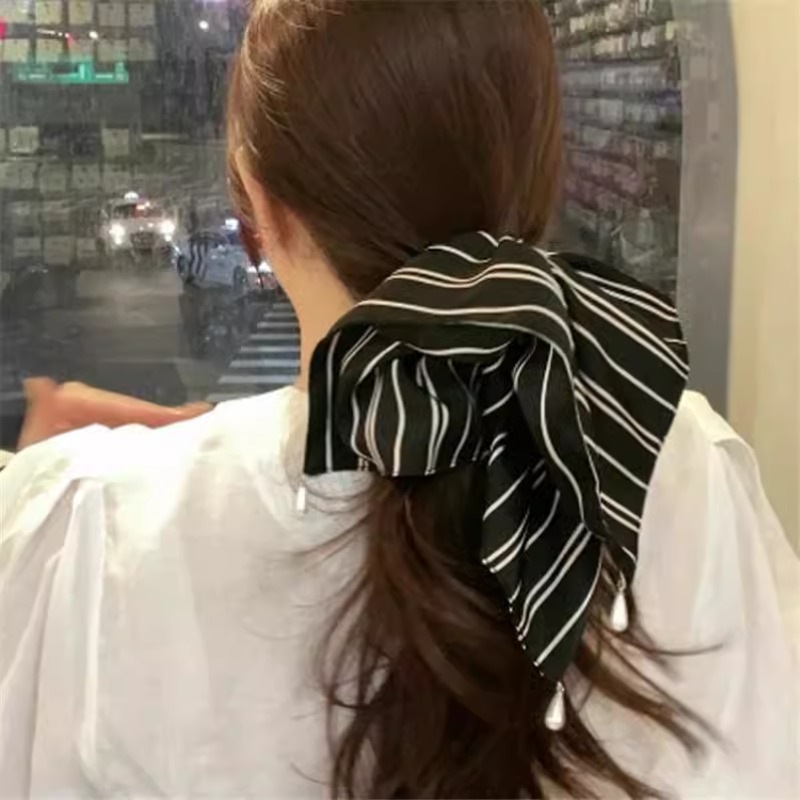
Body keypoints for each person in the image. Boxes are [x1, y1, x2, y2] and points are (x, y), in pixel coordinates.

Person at [1, 2, 797, 798]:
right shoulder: (684, 463)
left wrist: (55, 520)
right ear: (538, 181)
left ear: (258, 209)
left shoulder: (91, 532)